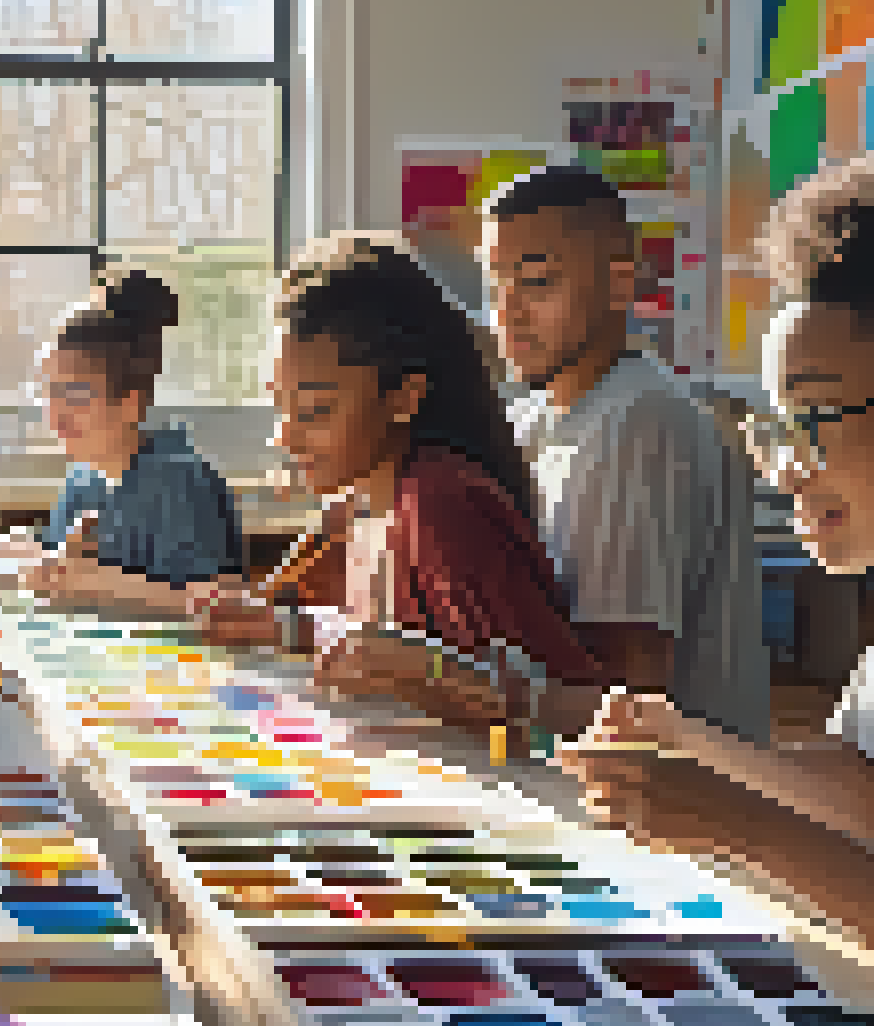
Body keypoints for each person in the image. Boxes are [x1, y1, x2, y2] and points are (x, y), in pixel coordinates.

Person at [563, 133, 874, 1026]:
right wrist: (694, 749)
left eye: (818, 420)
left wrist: (751, 831)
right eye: (775, 427)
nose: (785, 470)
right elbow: (872, 789)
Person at [202, 233, 602, 725]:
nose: (287, 438)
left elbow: (584, 707)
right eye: (280, 407)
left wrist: (460, 683)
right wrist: (288, 627)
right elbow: (372, 639)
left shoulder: (440, 501)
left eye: (314, 411)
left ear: (403, 400)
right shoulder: (360, 501)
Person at [481, 165, 772, 744]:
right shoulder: (536, 416)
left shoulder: (639, 420)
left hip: (676, 800)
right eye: (496, 286)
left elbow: (625, 687)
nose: (509, 313)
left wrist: (447, 681)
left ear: (621, 285)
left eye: (537, 283)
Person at [19, 270, 246, 613]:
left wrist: (98, 584)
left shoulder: (178, 480)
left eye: (76, 395)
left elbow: (221, 604)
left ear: (130, 404)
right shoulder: (83, 477)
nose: (55, 414)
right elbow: (62, 568)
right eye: (47, 395)